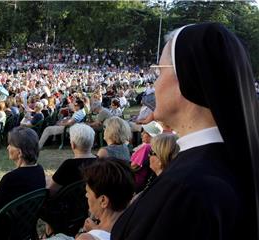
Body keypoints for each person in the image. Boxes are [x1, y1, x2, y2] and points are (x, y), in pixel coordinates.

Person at [111, 23, 259, 240]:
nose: (155, 84)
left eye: (159, 72)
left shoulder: (187, 189)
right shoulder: (227, 162)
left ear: (187, 77)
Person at [42, 123, 97, 237]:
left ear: (72, 145)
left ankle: (50, 231)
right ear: (92, 143)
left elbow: (51, 191)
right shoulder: (99, 162)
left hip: (68, 210)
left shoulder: (68, 165)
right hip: (90, 208)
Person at [76, 158, 135, 240]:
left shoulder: (87, 238)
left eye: (88, 192)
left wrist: (84, 233)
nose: (86, 196)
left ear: (103, 201)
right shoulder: (138, 227)